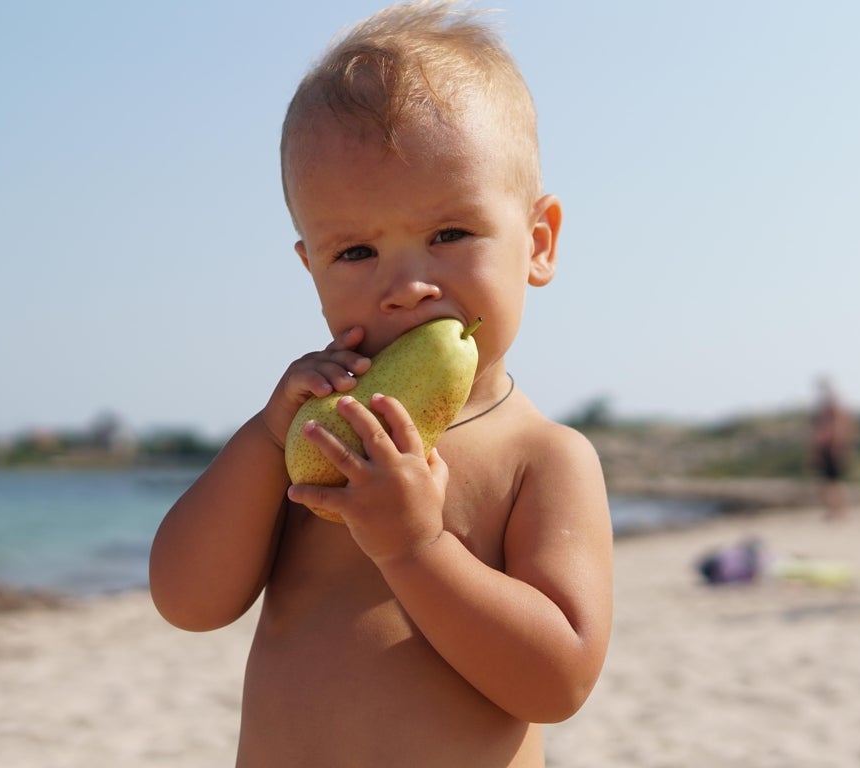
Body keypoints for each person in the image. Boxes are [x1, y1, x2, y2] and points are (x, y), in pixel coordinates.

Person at [149, 3, 613, 766]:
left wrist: (417, 547)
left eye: (449, 236)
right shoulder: (316, 437)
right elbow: (187, 602)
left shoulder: (543, 459)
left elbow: (556, 682)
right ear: (311, 269)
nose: (406, 287)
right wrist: (268, 441)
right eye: (357, 252)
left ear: (537, 243)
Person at [808, 378, 856, 521]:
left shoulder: (834, 409)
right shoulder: (827, 408)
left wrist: (837, 448)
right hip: (826, 448)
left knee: (834, 482)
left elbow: (839, 428)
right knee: (827, 482)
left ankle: (839, 510)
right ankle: (834, 510)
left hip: (831, 449)